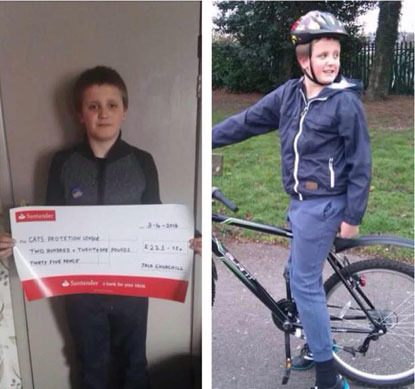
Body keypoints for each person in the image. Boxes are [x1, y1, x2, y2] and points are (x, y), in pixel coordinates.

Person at [212, 10, 371, 389]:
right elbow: (247, 121)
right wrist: (204, 136)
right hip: (300, 204)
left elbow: (361, 162)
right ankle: (315, 342)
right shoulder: (290, 95)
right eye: (323, 55)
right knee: (292, 274)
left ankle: (328, 376)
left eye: (334, 54)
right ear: (304, 59)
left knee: (303, 283)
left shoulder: (344, 103)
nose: (331, 61)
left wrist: (353, 215)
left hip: (326, 205)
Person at [46, 65, 158, 389]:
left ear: (124, 112)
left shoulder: (142, 161)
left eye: (112, 105)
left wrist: (187, 238)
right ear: (80, 114)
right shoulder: (61, 163)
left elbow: (157, 219)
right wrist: (18, 240)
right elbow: (48, 223)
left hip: (133, 288)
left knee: (134, 366)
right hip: (81, 291)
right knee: (90, 367)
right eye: (93, 106)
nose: (103, 113)